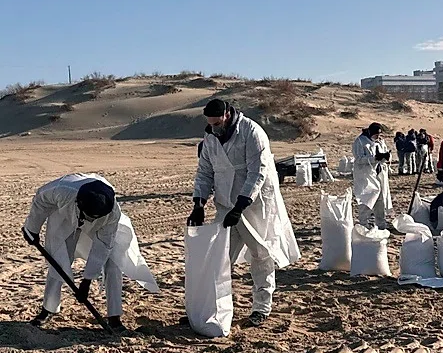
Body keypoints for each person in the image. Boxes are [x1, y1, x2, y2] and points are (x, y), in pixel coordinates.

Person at [187, 99, 300, 327]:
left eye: (217, 123)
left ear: (227, 115)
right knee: (220, 257)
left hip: (256, 203)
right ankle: (214, 309)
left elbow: (257, 172)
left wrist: (241, 205)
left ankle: (261, 307)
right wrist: (199, 203)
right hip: (225, 204)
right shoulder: (210, 137)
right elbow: (205, 172)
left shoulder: (252, 131)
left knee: (261, 255)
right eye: (211, 124)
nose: (215, 128)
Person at [21, 173, 159, 331]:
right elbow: (40, 201)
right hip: (65, 218)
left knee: (113, 263)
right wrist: (32, 229)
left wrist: (86, 282)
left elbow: (102, 247)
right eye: (89, 216)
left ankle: (114, 317)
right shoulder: (62, 190)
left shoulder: (112, 213)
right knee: (59, 259)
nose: (90, 220)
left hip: (102, 228)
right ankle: (49, 309)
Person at [352, 122, 393, 230]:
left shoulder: (379, 141)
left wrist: (386, 156)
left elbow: (385, 154)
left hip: (379, 174)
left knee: (381, 200)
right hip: (366, 175)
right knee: (367, 198)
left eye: (379, 134)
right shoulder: (360, 142)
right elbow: (359, 159)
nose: (378, 137)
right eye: (376, 135)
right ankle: (363, 224)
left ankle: (381, 225)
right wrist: (374, 158)